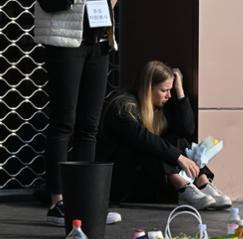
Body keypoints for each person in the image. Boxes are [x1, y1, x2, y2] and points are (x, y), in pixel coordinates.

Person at [97, 61, 231, 209]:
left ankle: (203, 183)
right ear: (148, 88)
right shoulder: (123, 107)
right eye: (164, 90)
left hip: (149, 180)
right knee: (149, 144)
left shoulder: (160, 106)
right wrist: (179, 158)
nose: (169, 95)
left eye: (171, 90)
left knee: (178, 139)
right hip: (121, 183)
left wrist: (180, 91)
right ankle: (183, 187)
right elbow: (142, 138)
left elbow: (186, 129)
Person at [35, 0, 121, 226]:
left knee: (90, 126)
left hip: (100, 41)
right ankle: (58, 202)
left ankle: (86, 200)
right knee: (63, 123)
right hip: (65, 41)